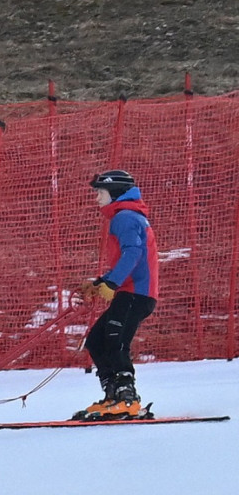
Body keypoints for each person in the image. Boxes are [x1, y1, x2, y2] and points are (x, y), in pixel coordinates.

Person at [76, 170, 158, 419]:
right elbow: (132, 256)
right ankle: (113, 395)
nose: (97, 198)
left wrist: (111, 282)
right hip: (129, 291)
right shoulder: (127, 216)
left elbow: (133, 254)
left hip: (136, 293)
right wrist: (101, 282)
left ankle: (127, 398)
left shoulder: (124, 217)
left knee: (115, 341)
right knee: (97, 341)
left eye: (100, 193)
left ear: (114, 193)